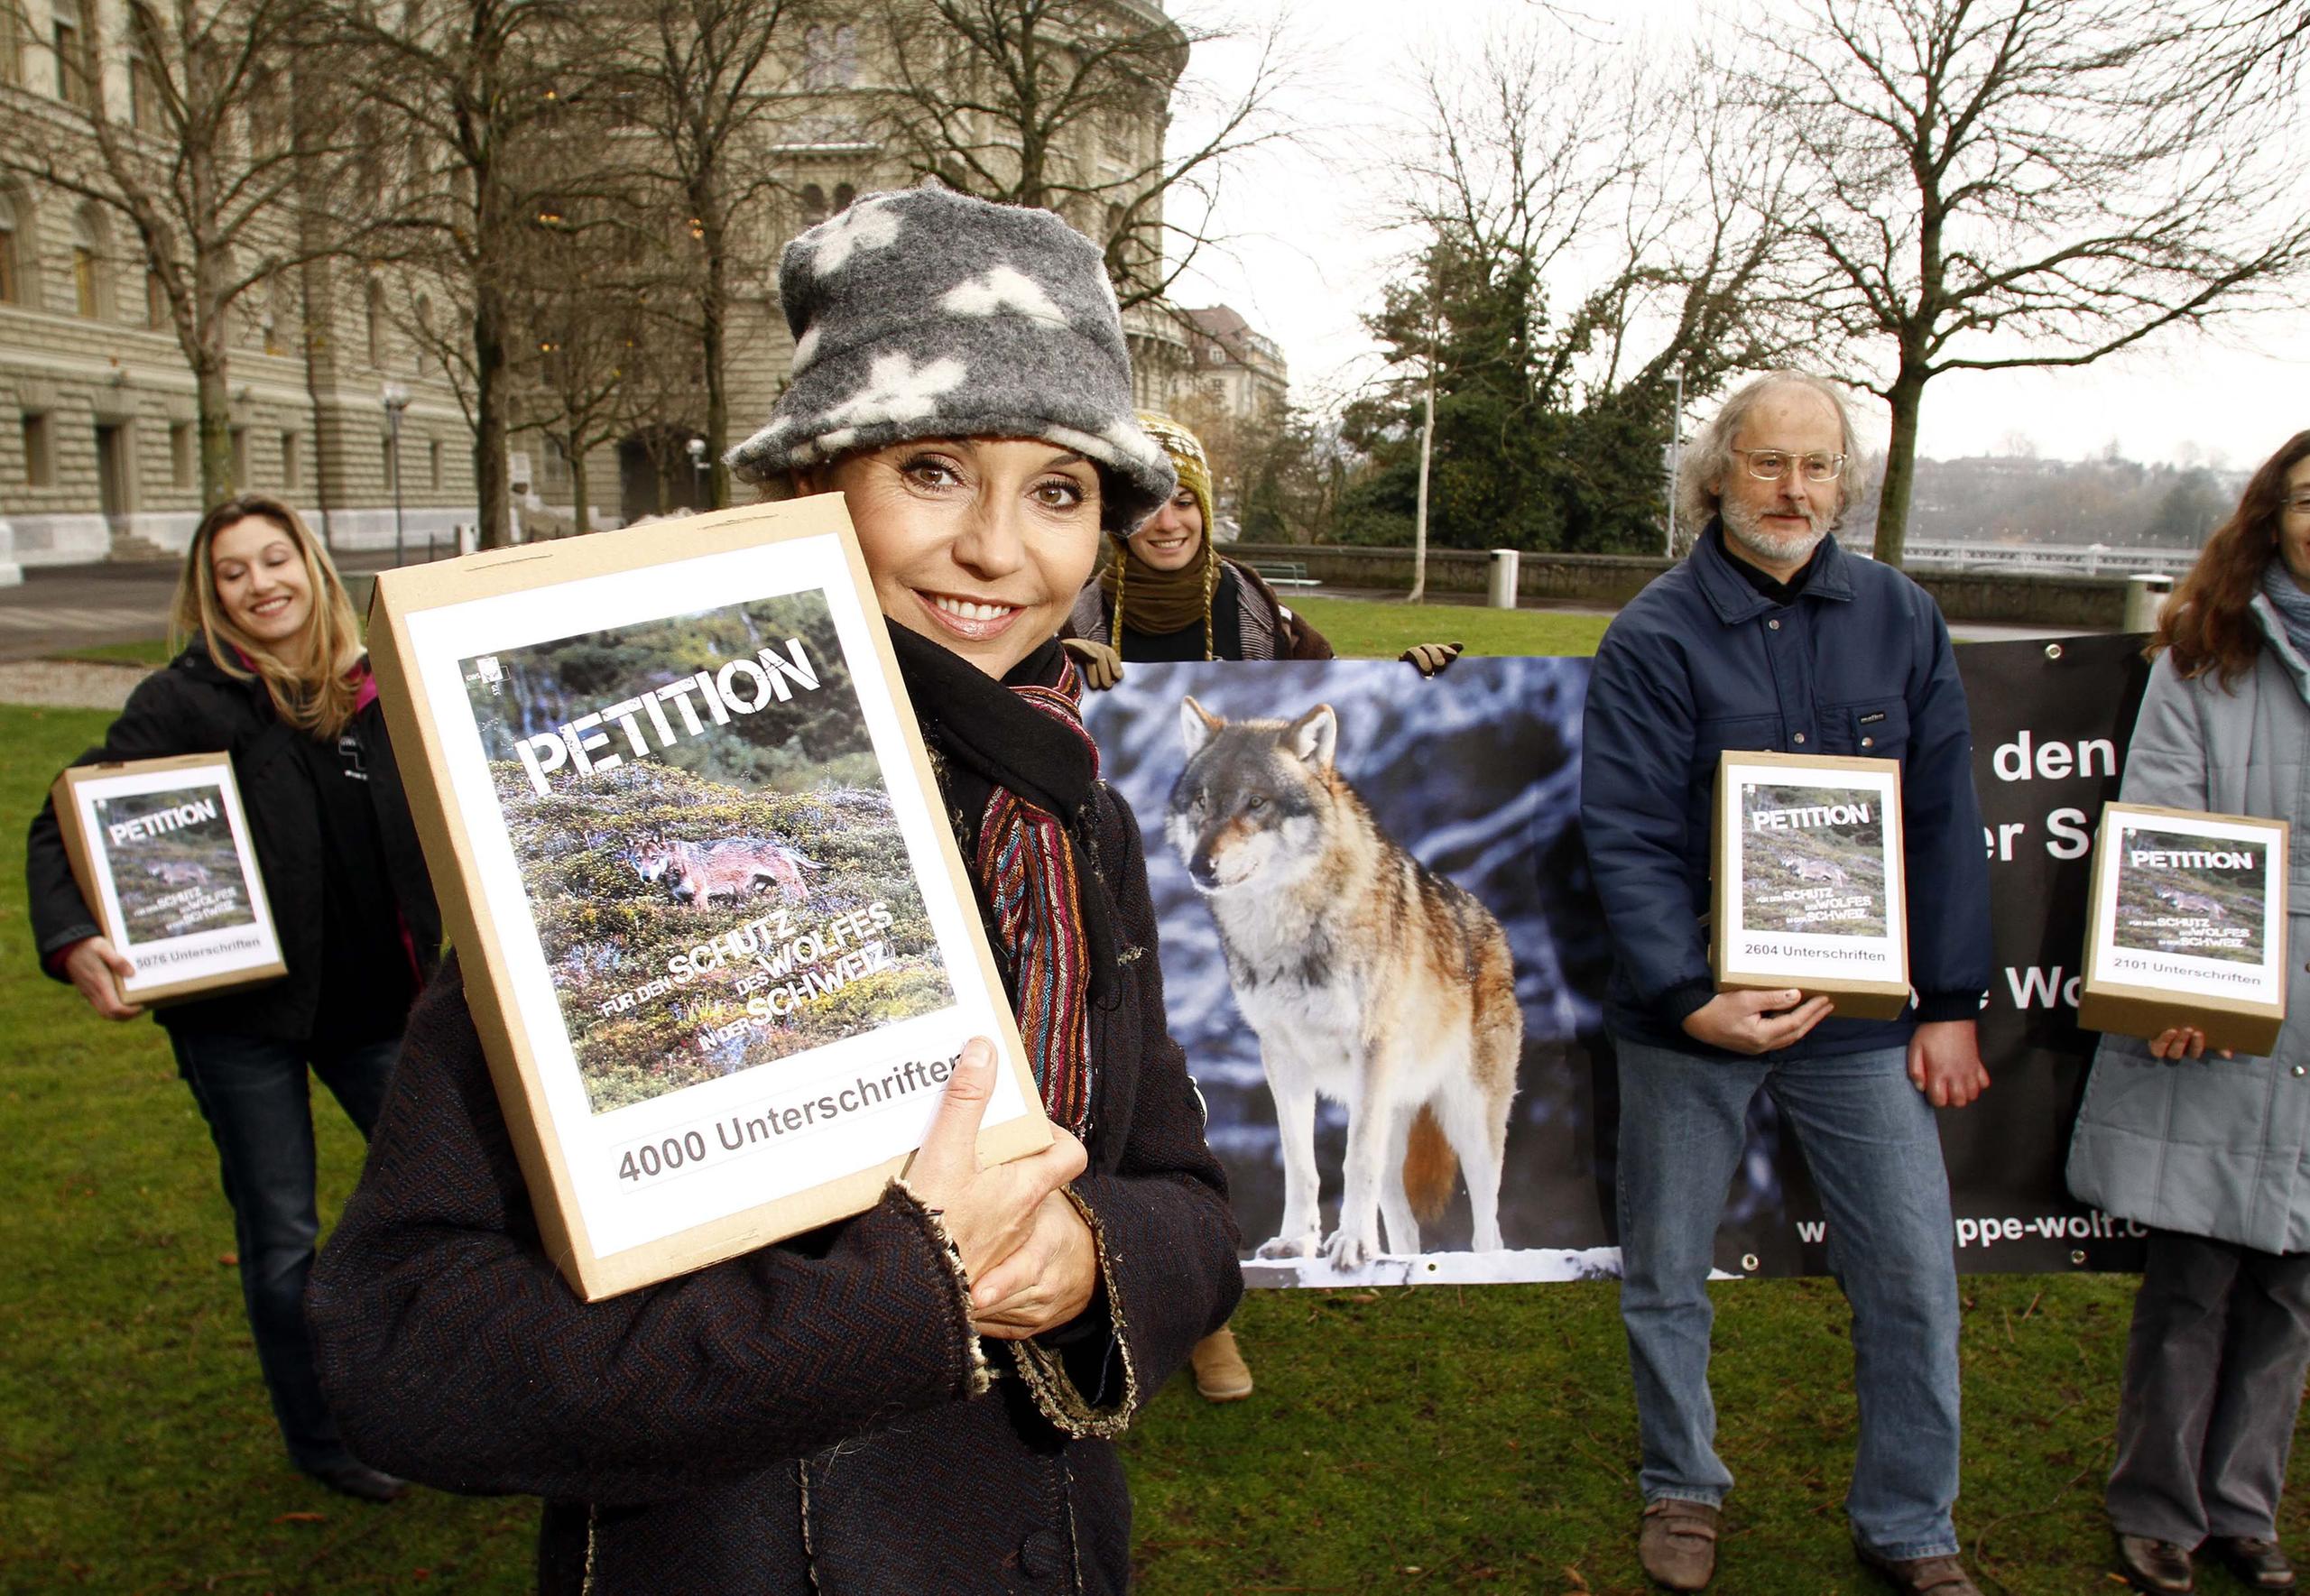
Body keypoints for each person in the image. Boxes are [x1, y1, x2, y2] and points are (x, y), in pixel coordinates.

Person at [304, 184, 1243, 1594]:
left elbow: (1187, 1195)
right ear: (815, 486)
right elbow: (405, 1344)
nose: (998, 549)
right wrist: (901, 1297)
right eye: (932, 469)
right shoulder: (584, 811)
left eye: (1057, 489)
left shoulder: (1072, 810)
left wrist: (1081, 1255)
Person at [1578, 371, 1992, 1596]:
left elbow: (1941, 818)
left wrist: (1955, 1001)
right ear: (1721, 474)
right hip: (1690, 1018)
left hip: (1861, 1023)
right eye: (1768, 463)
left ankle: (1912, 1522)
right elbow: (1628, 833)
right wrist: (1687, 991)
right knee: (1665, 1272)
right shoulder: (1655, 632)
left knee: (1914, 1279)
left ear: (1845, 482)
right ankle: (1682, 1486)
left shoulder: (1901, 618)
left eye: (1817, 466)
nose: (1794, 489)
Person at [24, 494, 441, 1502]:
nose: (260, 585)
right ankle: (328, 1437)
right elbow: (61, 823)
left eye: (274, 559)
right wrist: (76, 938)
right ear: (209, 593)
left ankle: (460, 1394)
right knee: (283, 1233)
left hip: (380, 1010)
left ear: (311, 562)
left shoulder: (381, 683)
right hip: (237, 1020)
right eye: (232, 571)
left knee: (445, 1201)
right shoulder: (184, 700)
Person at [2066, 431, 2310, 1596]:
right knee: (2196, 1277)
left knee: (2294, 1289)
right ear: (2274, 515)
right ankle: (2157, 1505)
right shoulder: (2204, 654)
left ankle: (2246, 1512)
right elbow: (2167, 820)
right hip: (2224, 1001)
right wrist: (2177, 982)